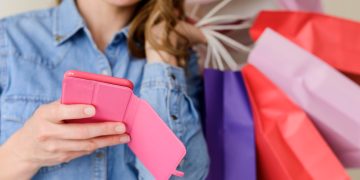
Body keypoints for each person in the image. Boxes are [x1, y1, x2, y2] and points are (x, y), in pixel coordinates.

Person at [0, 0, 209, 179]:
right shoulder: (7, 40)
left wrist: (163, 55)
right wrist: (22, 152)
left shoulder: (176, 56)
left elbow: (180, 176)